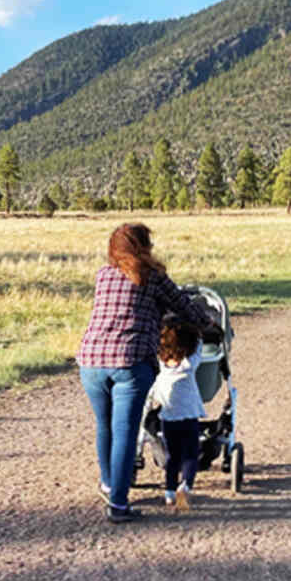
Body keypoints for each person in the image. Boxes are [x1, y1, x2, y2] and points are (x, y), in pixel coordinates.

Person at [77, 223, 212, 523]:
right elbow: (185, 308)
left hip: (90, 361)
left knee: (105, 425)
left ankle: (110, 483)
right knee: (124, 431)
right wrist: (205, 323)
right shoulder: (153, 278)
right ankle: (118, 505)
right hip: (130, 361)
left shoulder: (103, 275)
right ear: (145, 246)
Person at [149, 314, 206, 512]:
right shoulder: (189, 365)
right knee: (191, 453)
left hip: (168, 417)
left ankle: (169, 492)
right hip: (189, 415)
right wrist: (200, 332)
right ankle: (186, 485)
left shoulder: (161, 367)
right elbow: (199, 348)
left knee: (172, 456)